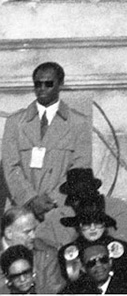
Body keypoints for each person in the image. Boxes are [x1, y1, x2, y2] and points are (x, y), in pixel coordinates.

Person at [0, 64, 89, 229]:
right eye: (37, 84)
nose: (42, 88)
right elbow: (10, 166)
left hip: (60, 210)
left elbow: (80, 169)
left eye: (48, 84)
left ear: (60, 84)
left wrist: (53, 200)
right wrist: (30, 199)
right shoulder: (15, 122)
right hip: (21, 210)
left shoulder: (78, 123)